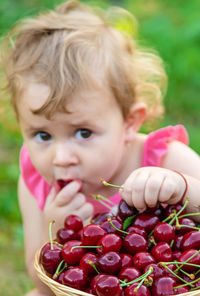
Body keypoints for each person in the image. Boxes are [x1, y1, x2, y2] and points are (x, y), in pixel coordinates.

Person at [1, 0, 200, 295]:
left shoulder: (164, 159)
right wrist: (52, 232)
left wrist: (182, 189)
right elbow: (42, 285)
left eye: (83, 132)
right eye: (42, 135)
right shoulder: (39, 182)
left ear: (130, 123)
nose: (61, 158)